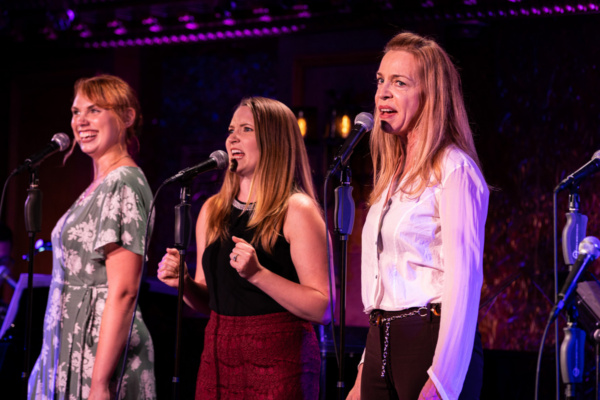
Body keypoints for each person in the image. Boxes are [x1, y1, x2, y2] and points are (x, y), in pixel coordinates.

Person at [157, 96, 331, 399]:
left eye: (246, 129)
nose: (232, 138)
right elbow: (209, 300)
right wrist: (183, 284)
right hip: (219, 358)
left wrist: (257, 274)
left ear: (273, 141)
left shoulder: (296, 209)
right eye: (230, 129)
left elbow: (322, 307)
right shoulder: (213, 210)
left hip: (279, 360)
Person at [347, 32, 489, 400]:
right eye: (380, 81)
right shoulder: (391, 178)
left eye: (399, 82)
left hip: (429, 343)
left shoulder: (454, 169)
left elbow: (464, 280)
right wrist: (365, 368)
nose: (382, 93)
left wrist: (444, 380)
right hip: (381, 343)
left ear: (431, 96)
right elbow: (386, 288)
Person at [28, 74, 156, 399]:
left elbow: (125, 289)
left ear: (127, 118)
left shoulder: (123, 182)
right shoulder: (100, 184)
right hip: (67, 344)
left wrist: (99, 383)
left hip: (97, 351)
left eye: (95, 109)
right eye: (75, 111)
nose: (80, 120)